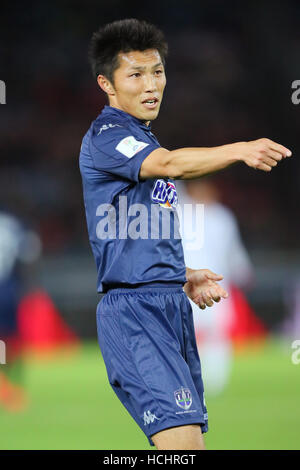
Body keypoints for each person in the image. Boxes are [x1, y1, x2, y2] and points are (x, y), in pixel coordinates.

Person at [79, 19, 291, 450]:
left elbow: (131, 230)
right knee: (182, 448)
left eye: (157, 71)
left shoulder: (141, 137)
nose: (150, 84)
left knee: (189, 444)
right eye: (135, 74)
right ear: (107, 83)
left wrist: (181, 272)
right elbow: (169, 164)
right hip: (135, 312)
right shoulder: (108, 136)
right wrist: (239, 149)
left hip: (168, 303)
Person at [176, 178, 254, 395]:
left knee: (216, 334)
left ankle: (216, 382)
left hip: (216, 282)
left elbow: (233, 251)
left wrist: (242, 272)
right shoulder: (182, 212)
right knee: (184, 333)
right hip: (186, 283)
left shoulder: (222, 217)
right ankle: (187, 379)